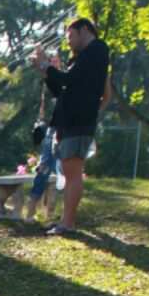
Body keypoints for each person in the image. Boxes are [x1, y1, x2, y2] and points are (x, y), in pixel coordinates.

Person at [32, 17, 111, 236]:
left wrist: (48, 67)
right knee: (68, 172)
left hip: (79, 120)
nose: (68, 42)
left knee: (73, 173)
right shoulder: (81, 58)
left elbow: (68, 81)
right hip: (68, 120)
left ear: (84, 30)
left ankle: (68, 223)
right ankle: (66, 221)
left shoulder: (96, 51)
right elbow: (62, 90)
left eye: (70, 36)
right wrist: (46, 71)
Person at [24, 85, 61, 223]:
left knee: (55, 176)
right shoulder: (51, 85)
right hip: (53, 133)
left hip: (62, 133)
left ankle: (50, 214)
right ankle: (31, 212)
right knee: (44, 172)